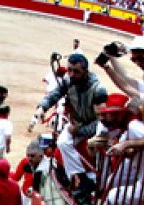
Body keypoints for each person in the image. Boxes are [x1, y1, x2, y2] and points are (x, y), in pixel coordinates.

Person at [30, 54, 110, 194]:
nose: (72, 74)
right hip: (76, 125)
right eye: (69, 70)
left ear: (85, 71)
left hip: (92, 127)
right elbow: (54, 95)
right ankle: (80, 178)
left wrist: (79, 130)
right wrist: (42, 108)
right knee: (62, 142)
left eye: (76, 71)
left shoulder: (98, 89)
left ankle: (88, 180)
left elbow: (101, 121)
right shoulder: (68, 81)